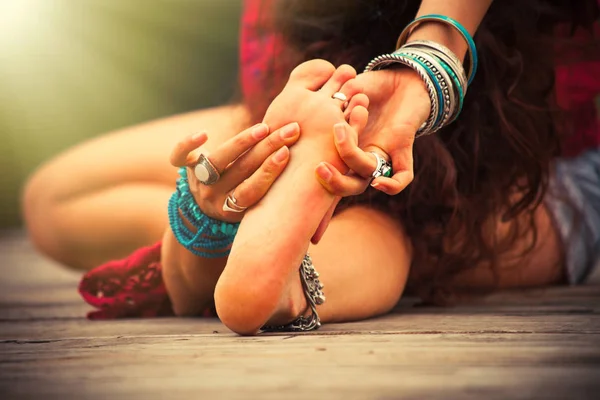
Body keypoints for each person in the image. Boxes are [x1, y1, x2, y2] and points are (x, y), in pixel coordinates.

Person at [22, 0, 600, 335]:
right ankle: (277, 250)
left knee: (416, 227)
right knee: (52, 199)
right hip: (321, 71)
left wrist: (430, 60)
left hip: (530, 149)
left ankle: (233, 231)